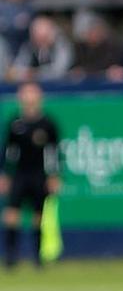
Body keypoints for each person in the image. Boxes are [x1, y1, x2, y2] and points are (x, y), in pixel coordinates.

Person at [0, 82, 61, 269]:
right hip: (19, 174)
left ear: (40, 97)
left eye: (33, 93)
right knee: (11, 214)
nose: (29, 97)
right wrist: (4, 175)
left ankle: (37, 257)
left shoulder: (47, 123)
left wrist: (54, 175)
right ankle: (11, 256)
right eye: (26, 93)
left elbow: (54, 151)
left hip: (39, 175)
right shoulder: (15, 123)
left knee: (38, 216)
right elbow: (8, 151)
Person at [10, 16, 74, 82]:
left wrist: (35, 73)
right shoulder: (29, 46)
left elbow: (60, 70)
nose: (40, 42)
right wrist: (23, 73)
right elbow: (17, 68)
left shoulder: (62, 45)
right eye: (37, 37)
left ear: (51, 35)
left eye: (44, 38)